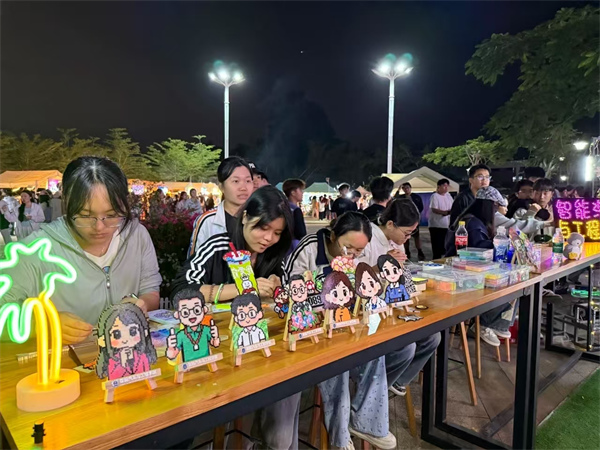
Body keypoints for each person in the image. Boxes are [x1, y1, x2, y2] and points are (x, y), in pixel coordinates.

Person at [171, 186, 298, 450]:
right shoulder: (218, 246)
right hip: (217, 349)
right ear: (245, 216)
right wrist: (242, 288)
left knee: (289, 384)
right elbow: (181, 291)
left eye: (277, 233)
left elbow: (284, 296)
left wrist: (278, 288)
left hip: (258, 347)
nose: (268, 238)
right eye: (262, 228)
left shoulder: (274, 254)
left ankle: (268, 441)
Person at [0, 156, 162, 344]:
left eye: (111, 215)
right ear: (67, 204)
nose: (99, 227)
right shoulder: (35, 249)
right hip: (63, 360)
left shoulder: (137, 236)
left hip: (125, 354)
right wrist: (42, 323)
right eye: (85, 216)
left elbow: (150, 289)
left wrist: (142, 305)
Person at [283, 212, 399, 450]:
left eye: (359, 251)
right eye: (348, 247)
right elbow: (289, 292)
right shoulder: (310, 249)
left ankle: (367, 423)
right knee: (338, 362)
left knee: (374, 351)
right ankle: (340, 433)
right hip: (310, 330)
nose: (352, 254)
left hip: (343, 325)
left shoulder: (355, 257)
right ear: (333, 235)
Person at [356, 199, 441, 396]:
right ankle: (372, 392)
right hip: (368, 311)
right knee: (406, 347)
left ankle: (397, 381)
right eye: (406, 233)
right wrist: (382, 264)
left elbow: (400, 275)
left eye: (411, 233)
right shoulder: (366, 238)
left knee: (432, 336)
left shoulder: (396, 243)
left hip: (392, 307)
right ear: (390, 224)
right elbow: (354, 279)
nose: (408, 238)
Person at [445, 192, 514, 346]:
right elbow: (478, 248)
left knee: (514, 286)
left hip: (468, 266)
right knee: (504, 286)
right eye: (497, 207)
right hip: (463, 269)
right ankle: (486, 323)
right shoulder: (473, 223)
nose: (498, 211)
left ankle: (499, 323)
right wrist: (499, 243)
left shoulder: (475, 220)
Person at [187, 157, 254, 257]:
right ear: (221, 187)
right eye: (236, 181)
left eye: (248, 181)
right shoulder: (207, 221)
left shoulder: (258, 217)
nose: (243, 187)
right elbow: (194, 261)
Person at [397, 182, 425, 261]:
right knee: (405, 237)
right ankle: (407, 252)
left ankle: (420, 251)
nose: (406, 189)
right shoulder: (401, 197)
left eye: (407, 188)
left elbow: (421, 207)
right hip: (404, 221)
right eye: (404, 188)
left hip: (414, 220)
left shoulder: (416, 197)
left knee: (416, 236)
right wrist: (398, 190)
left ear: (410, 188)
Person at [428, 178, 453, 259]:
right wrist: (445, 212)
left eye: (447, 186)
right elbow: (434, 209)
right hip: (436, 225)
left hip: (446, 224)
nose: (446, 188)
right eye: (444, 186)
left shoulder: (448, 196)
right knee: (437, 246)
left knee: (445, 246)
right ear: (439, 187)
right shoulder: (435, 196)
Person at [282, 178, 307, 246]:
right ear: (293, 192)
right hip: (294, 245)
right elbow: (301, 233)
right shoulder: (296, 210)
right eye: (300, 190)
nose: (302, 193)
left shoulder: (282, 207)